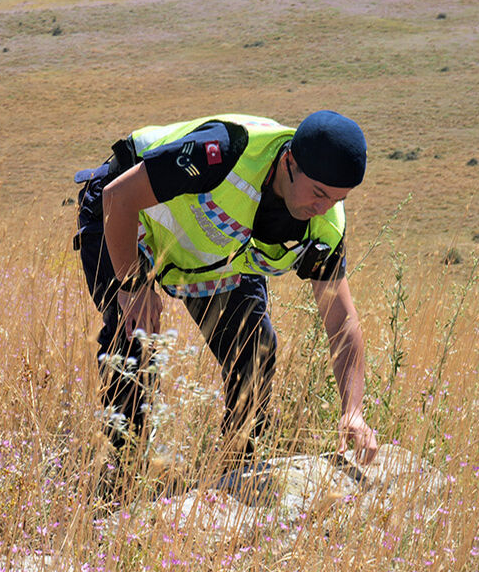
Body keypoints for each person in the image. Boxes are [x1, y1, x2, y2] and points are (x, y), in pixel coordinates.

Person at [72, 111, 379, 492]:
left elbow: (341, 321)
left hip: (210, 253)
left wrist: (353, 411)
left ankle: (235, 473)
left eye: (338, 198)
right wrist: (132, 285)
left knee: (255, 347)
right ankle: (122, 479)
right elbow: (119, 196)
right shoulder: (222, 152)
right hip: (127, 218)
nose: (324, 207)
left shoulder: (326, 226)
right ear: (289, 162)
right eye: (318, 193)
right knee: (133, 337)